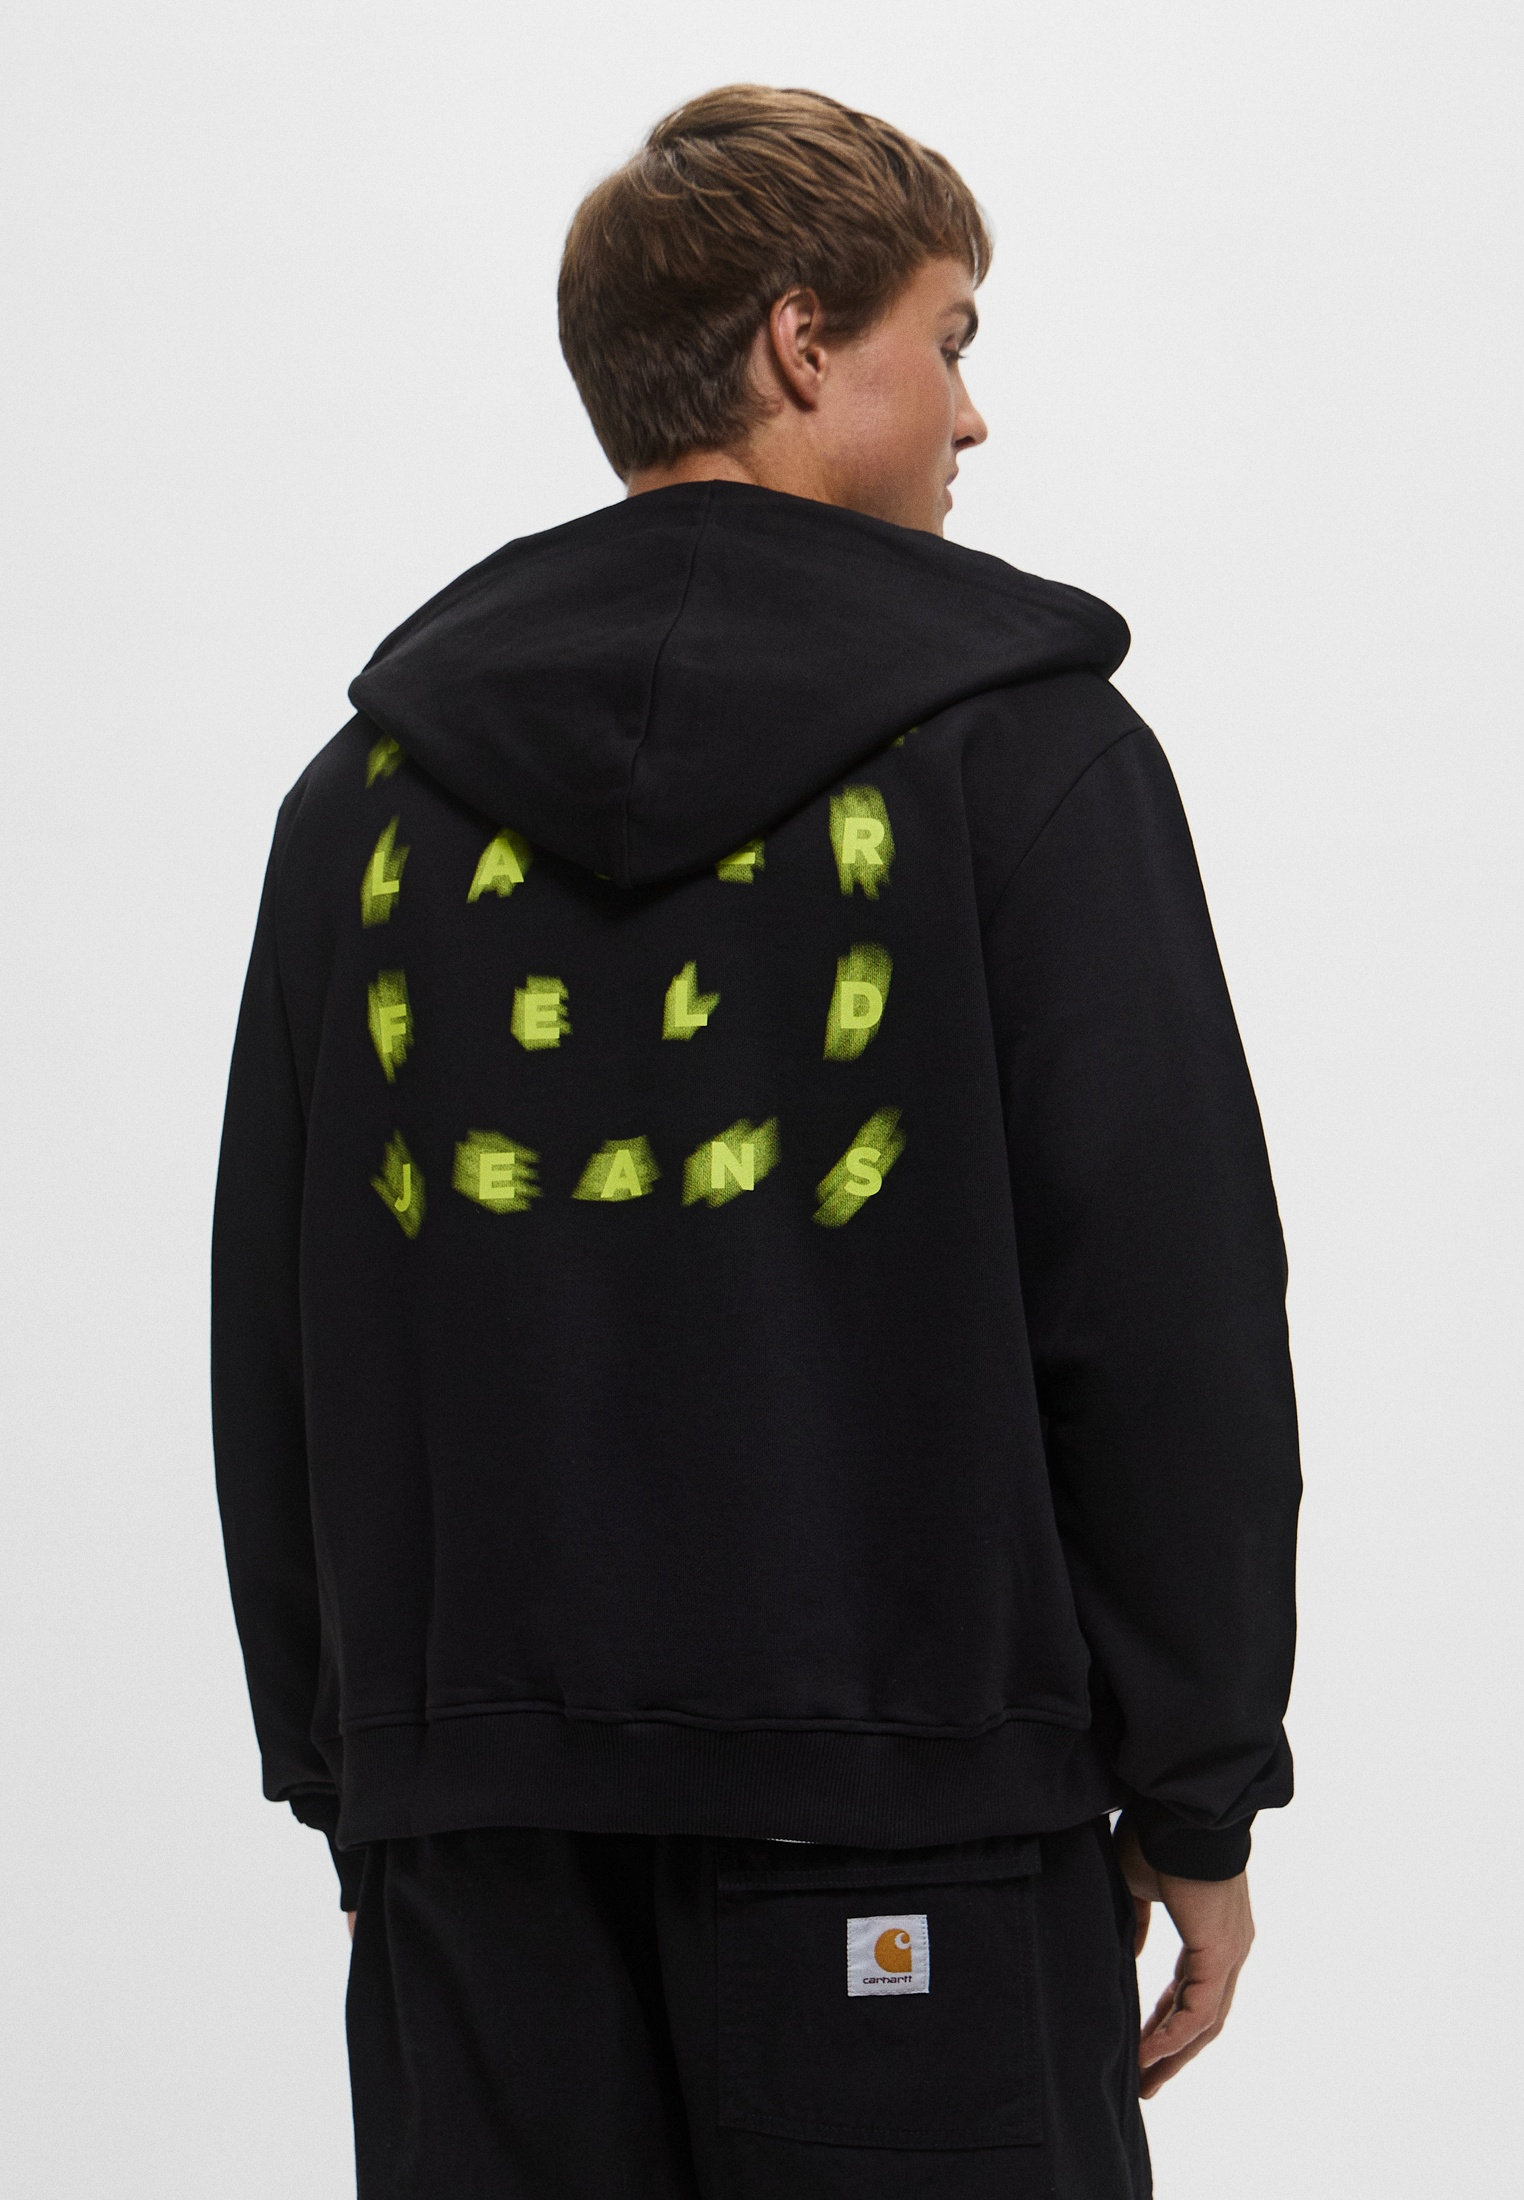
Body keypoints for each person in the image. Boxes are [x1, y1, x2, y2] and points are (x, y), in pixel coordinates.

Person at [212, 83, 1299, 2199]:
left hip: (482, 1862)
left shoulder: (361, 808)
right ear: (804, 343)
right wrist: (1198, 1792)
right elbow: (1165, 1307)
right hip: (919, 1830)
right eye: (948, 338)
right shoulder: (1029, 763)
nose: (972, 415)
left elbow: (277, 1328)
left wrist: (367, 1784)